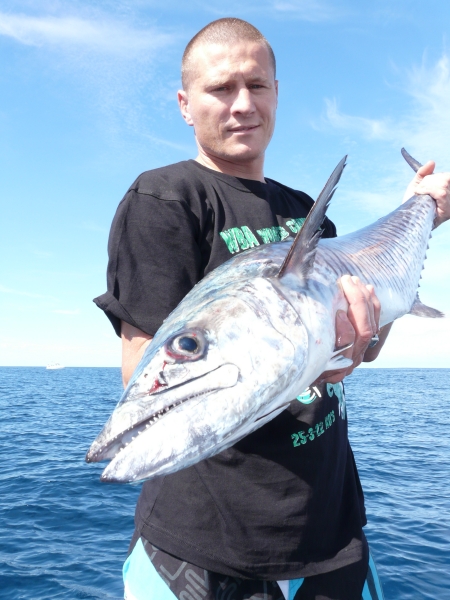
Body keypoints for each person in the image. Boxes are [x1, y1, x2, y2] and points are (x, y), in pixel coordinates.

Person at [94, 18, 450, 600]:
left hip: (331, 532)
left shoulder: (307, 210)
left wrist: (420, 212)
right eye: (220, 89)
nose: (241, 105)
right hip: (207, 546)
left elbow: (363, 340)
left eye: (257, 86)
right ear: (186, 104)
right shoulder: (165, 199)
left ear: (277, 95)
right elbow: (141, 368)